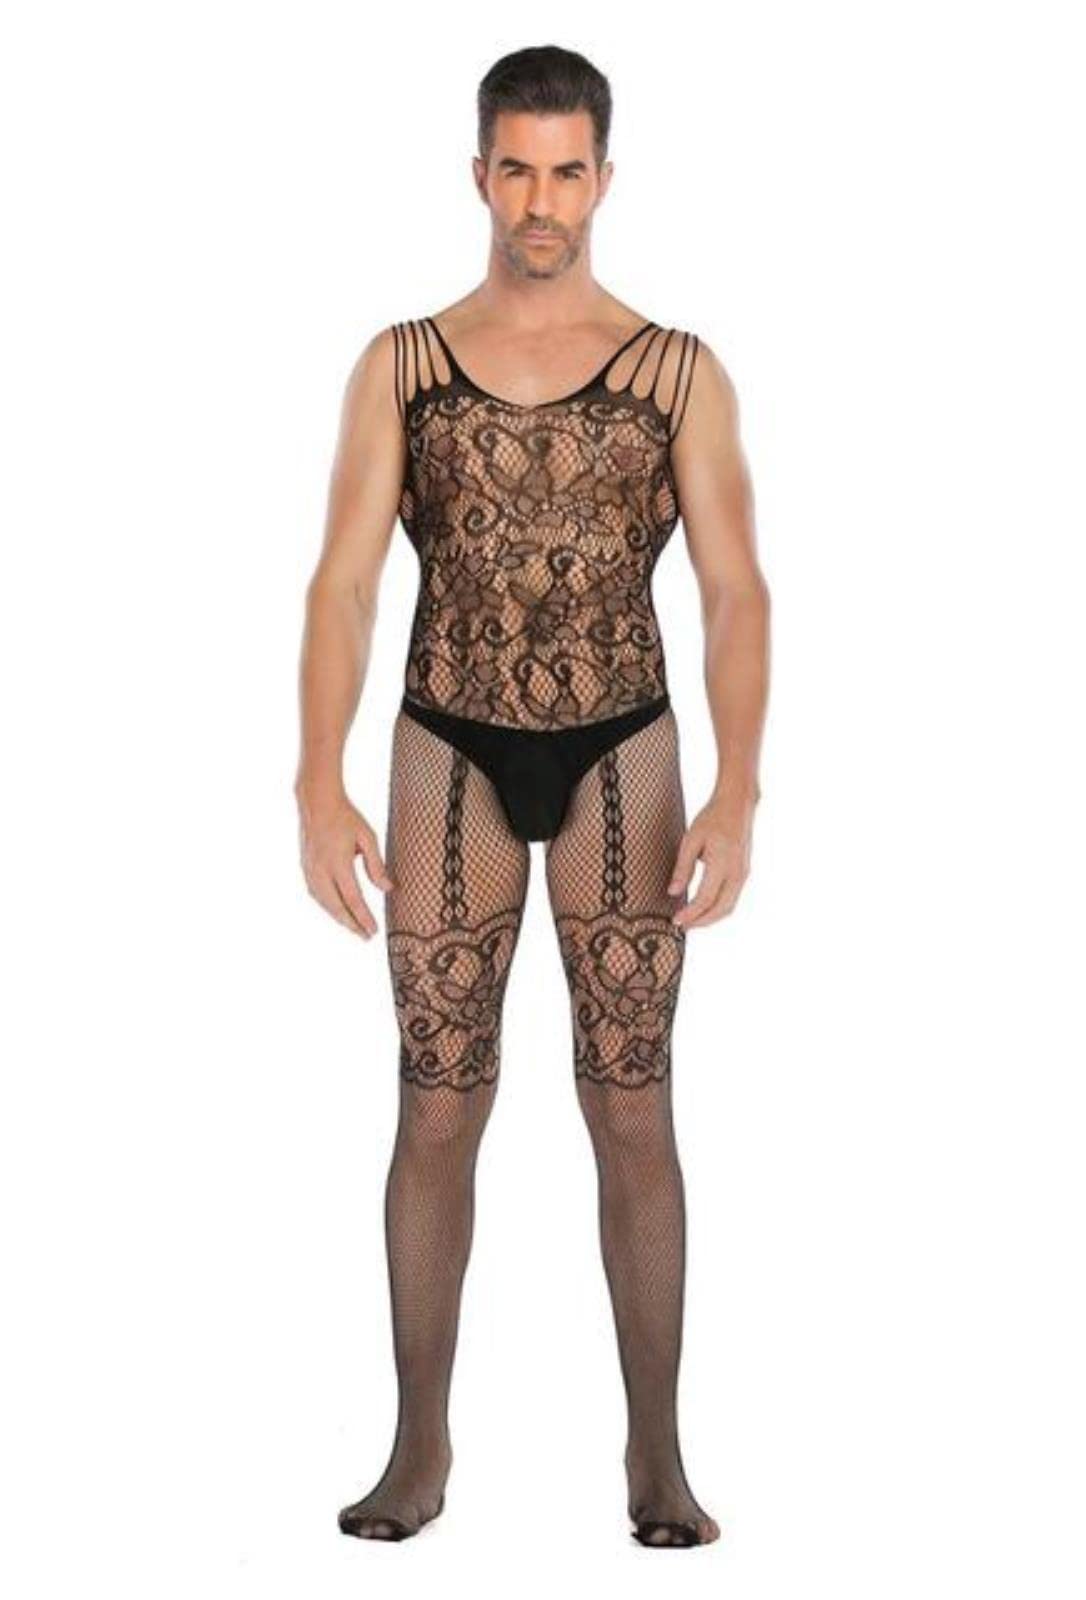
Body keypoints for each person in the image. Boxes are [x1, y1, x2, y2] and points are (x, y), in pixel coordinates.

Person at [296, 44, 769, 1547]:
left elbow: (737, 589)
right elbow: (346, 581)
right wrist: (316, 775)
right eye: (517, 169)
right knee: (437, 1102)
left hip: (627, 747)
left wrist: (740, 787)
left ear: (604, 179)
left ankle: (659, 1458)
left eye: (568, 171)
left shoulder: (676, 371)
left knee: (631, 1103)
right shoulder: (404, 365)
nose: (542, 201)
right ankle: (416, 1448)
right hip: (449, 749)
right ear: (479, 175)